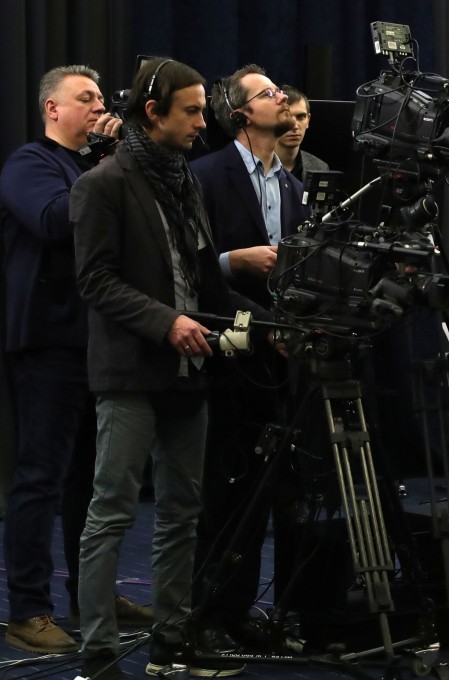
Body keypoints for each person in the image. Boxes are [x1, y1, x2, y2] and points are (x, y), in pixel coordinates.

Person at [71, 57, 264, 679]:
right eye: (191, 111)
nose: (202, 122)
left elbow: (208, 283)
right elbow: (95, 280)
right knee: (112, 514)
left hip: (190, 374)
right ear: (153, 114)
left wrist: (271, 327)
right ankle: (99, 653)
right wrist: (166, 321)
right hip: (129, 374)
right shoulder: (102, 184)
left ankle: (172, 642)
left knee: (183, 512)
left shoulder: (185, 183)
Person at [0, 64, 152, 656]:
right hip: (47, 340)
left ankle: (94, 595)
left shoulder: (96, 167)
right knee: (41, 475)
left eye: (98, 98)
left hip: (99, 342)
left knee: (95, 481)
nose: (96, 107)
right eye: (83, 98)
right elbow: (51, 220)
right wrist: (112, 166)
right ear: (51, 110)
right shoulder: (29, 164)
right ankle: (28, 608)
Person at [190, 64, 306, 651]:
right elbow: (183, 267)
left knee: (263, 489)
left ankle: (239, 610)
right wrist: (232, 262)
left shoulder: (289, 183)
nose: (280, 97)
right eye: (267, 93)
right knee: (221, 489)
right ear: (240, 114)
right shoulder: (205, 175)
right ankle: (204, 613)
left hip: (275, 358)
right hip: (224, 349)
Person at [275, 85, 329, 183]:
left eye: (300, 117)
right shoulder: (256, 166)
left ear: (308, 120)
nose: (294, 126)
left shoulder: (319, 168)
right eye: (286, 117)